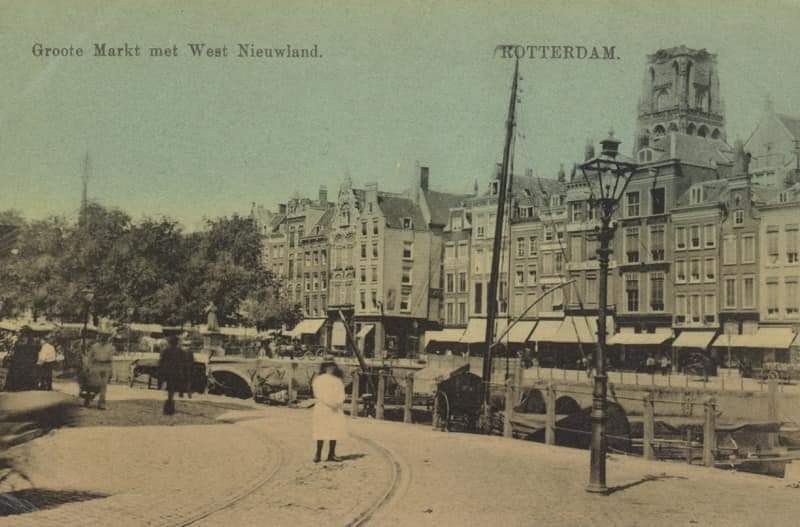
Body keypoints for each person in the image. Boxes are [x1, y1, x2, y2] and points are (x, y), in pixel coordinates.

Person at [312, 357, 347, 463]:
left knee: (334, 431)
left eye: (332, 365)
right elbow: (318, 393)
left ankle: (331, 454)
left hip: (334, 408)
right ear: (325, 367)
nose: (330, 368)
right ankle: (318, 454)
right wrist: (330, 402)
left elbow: (341, 394)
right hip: (323, 407)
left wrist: (337, 402)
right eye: (328, 366)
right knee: (321, 431)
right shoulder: (319, 380)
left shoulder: (337, 380)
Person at [84, 330, 114, 409]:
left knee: (104, 386)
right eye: (102, 337)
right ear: (99, 338)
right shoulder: (94, 346)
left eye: (105, 337)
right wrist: (88, 367)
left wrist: (111, 371)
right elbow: (89, 358)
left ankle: (101, 404)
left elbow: (111, 360)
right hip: (96, 366)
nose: (103, 339)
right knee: (93, 385)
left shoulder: (110, 347)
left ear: (107, 338)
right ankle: (88, 399)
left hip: (106, 366)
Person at [159, 334, 184, 415]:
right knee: (172, 390)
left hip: (168, 372)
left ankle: (169, 406)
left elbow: (161, 362)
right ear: (176, 343)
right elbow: (183, 362)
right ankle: (170, 406)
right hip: (176, 372)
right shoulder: (180, 351)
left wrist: (162, 373)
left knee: (170, 389)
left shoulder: (165, 351)